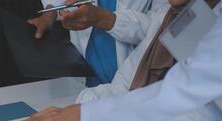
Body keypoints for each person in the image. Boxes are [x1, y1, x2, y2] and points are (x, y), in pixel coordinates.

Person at [21, 0, 222, 121]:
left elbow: (186, 108)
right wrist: (77, 110)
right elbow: (127, 82)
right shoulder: (176, 15)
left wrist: (88, 120)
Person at [28, 0, 157, 86]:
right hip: (85, 82)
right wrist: (53, 10)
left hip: (136, 83)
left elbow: (163, 28)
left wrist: (104, 19)